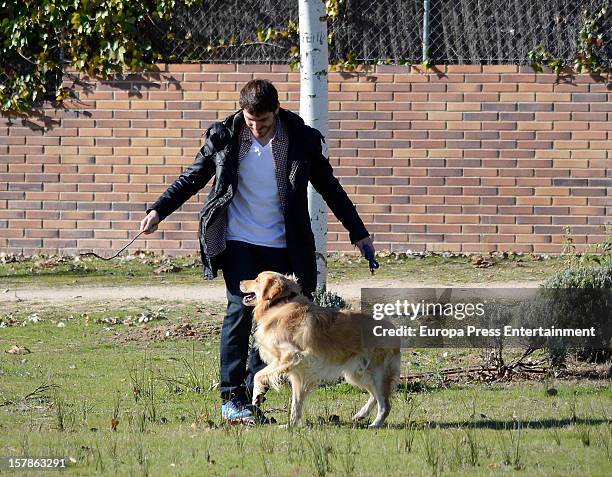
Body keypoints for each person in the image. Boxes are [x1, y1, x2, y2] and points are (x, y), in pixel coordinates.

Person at [140, 79, 374, 424]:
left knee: (279, 324)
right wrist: (159, 209)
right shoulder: (225, 137)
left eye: (262, 122)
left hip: (286, 244)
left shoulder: (301, 140)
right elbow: (192, 177)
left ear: (276, 112)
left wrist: (359, 233)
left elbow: (330, 187)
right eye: (250, 122)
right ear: (242, 113)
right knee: (239, 311)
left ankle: (254, 394)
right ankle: (231, 399)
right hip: (240, 241)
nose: (256, 128)